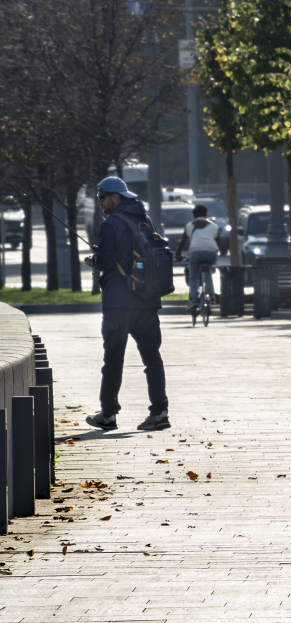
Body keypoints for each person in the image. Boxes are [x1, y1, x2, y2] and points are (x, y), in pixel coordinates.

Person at [82, 177, 170, 432]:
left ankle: (108, 415)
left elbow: (107, 261)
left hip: (119, 302)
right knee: (152, 358)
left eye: (102, 197)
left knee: (113, 359)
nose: (99, 202)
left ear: (115, 198)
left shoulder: (111, 224)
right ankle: (159, 411)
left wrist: (93, 260)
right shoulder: (144, 221)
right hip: (148, 300)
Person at [174, 203, 222, 311]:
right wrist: (214, 253)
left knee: (194, 277)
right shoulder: (214, 226)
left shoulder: (189, 225)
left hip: (195, 253)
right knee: (208, 272)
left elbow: (182, 242)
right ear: (206, 215)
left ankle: (193, 299)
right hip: (211, 252)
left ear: (194, 216)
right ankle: (211, 295)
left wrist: (178, 254)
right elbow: (218, 242)